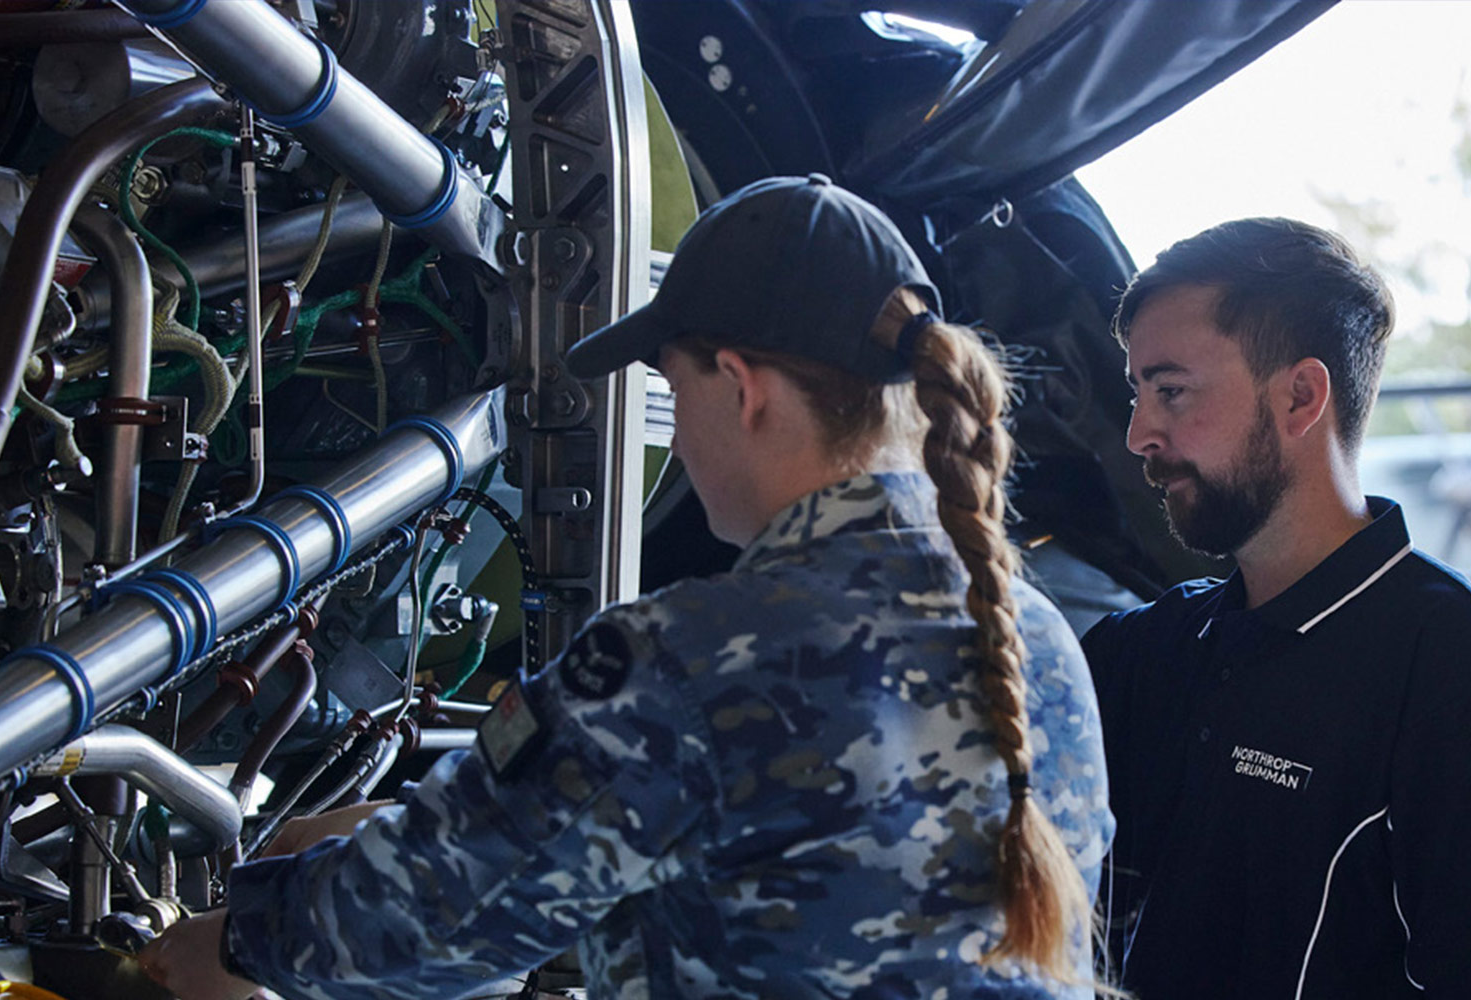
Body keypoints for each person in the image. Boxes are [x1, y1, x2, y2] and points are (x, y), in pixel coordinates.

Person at [139, 174, 1114, 999]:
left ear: (742, 384)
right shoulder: (1040, 642)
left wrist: (233, 938)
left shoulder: (696, 653)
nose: (679, 433)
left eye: (673, 385)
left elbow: (416, 925)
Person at [1082, 217, 1471, 999]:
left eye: (1171, 391)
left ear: (1302, 396)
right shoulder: (1158, 648)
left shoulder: (1450, 666)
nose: (1139, 433)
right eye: (1138, 394)